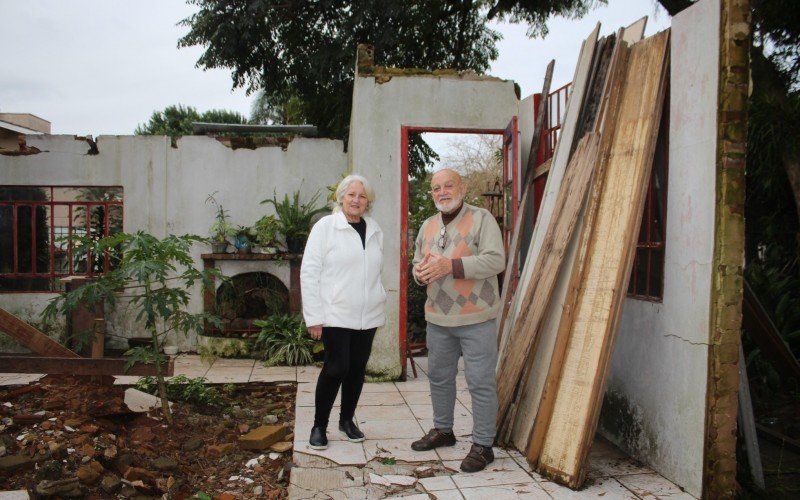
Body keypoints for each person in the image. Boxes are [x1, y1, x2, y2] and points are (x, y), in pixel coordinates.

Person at [410, 168, 505, 473]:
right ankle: (444, 431)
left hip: (476, 317)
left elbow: (496, 260)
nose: (442, 192)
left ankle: (483, 444)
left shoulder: (482, 219)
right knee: (438, 377)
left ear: (462, 188)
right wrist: (419, 273)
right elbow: (417, 263)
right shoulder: (427, 225)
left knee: (479, 381)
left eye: (448, 185)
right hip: (438, 318)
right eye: (436, 188)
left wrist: (450, 266)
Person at [300, 174, 386, 450]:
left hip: (368, 314)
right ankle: (319, 426)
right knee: (337, 367)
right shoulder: (326, 227)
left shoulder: (374, 229)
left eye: (362, 196)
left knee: (357, 369)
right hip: (335, 312)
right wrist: (313, 316)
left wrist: (378, 297)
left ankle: (346, 420)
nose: (356, 200)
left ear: (367, 202)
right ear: (341, 197)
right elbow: (309, 272)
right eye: (351, 195)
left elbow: (374, 270)